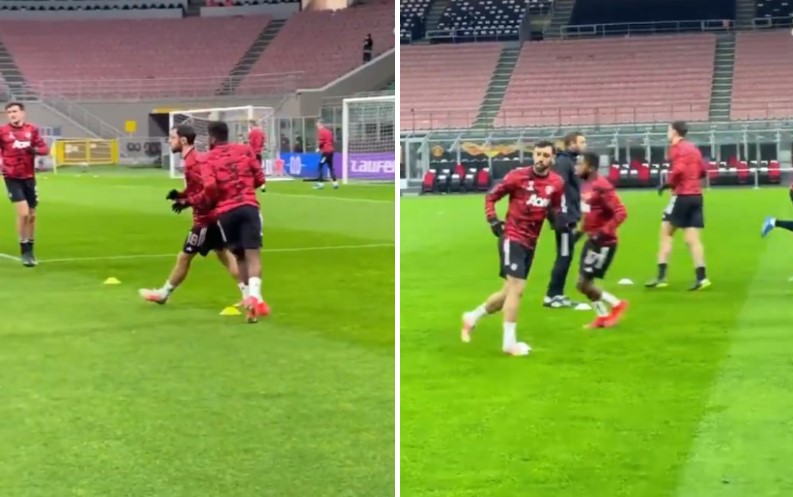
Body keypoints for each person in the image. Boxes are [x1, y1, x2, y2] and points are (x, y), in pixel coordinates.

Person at [460, 141, 567, 357]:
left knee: (507, 293)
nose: (541, 159)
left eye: (546, 155)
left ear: (552, 158)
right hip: (512, 237)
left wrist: (557, 221)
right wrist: (492, 219)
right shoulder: (517, 176)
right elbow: (491, 196)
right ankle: (509, 344)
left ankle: (472, 317)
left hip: (531, 242)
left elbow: (554, 207)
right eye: (538, 154)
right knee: (517, 289)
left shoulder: (556, 182)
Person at [138, 125, 248, 306]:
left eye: (172, 138)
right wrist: (181, 195)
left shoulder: (193, 162)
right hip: (212, 217)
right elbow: (197, 189)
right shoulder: (192, 159)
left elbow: (209, 189)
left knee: (185, 257)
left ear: (182, 140)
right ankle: (248, 295)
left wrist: (188, 202)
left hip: (205, 220)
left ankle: (163, 294)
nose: (169, 141)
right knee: (224, 255)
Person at [177, 121, 270, 323]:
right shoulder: (245, 150)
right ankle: (255, 297)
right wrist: (245, 188)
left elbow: (210, 187)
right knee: (253, 255)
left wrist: (198, 200)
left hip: (226, 212)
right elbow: (260, 178)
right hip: (249, 206)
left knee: (240, 257)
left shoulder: (207, 158)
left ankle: (250, 306)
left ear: (211, 138)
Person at [646, 121, 710, 290]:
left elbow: (679, 170)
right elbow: (702, 171)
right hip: (696, 196)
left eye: (669, 130)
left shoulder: (676, 148)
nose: (667, 133)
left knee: (666, 233)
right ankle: (702, 278)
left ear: (674, 132)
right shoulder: (693, 148)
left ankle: (661, 277)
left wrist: (668, 184)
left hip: (682, 196)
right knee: (692, 239)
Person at [574, 152, 629, 328]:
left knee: (583, 283)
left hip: (604, 243)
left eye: (580, 164)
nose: (577, 167)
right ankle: (602, 317)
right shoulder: (586, 185)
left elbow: (621, 213)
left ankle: (617, 304)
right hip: (592, 240)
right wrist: (580, 232)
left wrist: (603, 232)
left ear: (590, 167)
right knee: (584, 283)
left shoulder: (602, 185)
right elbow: (590, 213)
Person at [0, 102, 49, 267]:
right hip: (11, 176)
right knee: (23, 213)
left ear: (23, 113)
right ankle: (24, 250)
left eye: (14, 111)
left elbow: (44, 148)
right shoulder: (3, 131)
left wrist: (34, 151)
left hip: (29, 177)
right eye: (9, 112)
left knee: (32, 215)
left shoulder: (32, 129)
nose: (12, 114)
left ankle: (31, 247)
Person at [544, 131, 586, 308]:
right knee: (564, 255)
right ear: (571, 144)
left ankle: (556, 294)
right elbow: (556, 188)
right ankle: (553, 296)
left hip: (568, 216)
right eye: (581, 142)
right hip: (564, 218)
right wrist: (560, 216)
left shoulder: (569, 161)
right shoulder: (563, 162)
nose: (584, 145)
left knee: (565, 254)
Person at [313, 120, 338, 189]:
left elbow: (321, 142)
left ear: (321, 125)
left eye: (318, 125)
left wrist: (318, 148)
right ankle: (335, 183)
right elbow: (331, 141)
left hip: (326, 152)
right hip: (331, 151)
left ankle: (320, 184)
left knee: (320, 166)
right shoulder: (329, 132)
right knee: (330, 167)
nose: (317, 127)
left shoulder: (321, 131)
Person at [248, 120, 266, 192]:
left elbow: (250, 142)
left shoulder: (251, 132)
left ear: (252, 125)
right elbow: (263, 141)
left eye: (250, 125)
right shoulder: (261, 132)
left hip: (252, 153)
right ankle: (262, 185)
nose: (249, 127)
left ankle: (251, 186)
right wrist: (261, 149)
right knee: (259, 169)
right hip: (258, 153)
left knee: (251, 170)